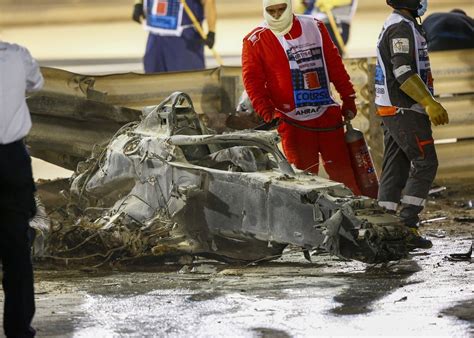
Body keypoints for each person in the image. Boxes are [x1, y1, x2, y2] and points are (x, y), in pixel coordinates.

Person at [242, 0, 362, 196]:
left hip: (327, 115)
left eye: (281, 9)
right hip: (292, 122)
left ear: (289, 7)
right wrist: (267, 112)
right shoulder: (254, 40)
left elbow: (334, 64)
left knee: (344, 175)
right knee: (303, 183)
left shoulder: (314, 26)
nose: (277, 15)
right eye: (271, 11)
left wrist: (348, 96)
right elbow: (253, 83)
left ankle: (357, 216)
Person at [375, 0, 449, 249]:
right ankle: (407, 225)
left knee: (395, 167)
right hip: (404, 110)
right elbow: (403, 71)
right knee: (426, 162)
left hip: (394, 109)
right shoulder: (400, 28)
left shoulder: (402, 24)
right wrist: (429, 102)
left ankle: (383, 227)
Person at [0, 40, 43, 337]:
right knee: (16, 249)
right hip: (11, 160)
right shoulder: (16, 55)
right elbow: (36, 83)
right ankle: (18, 328)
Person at [132, 0, 217, 73]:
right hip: (155, 37)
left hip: (183, 40)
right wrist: (138, 3)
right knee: (154, 80)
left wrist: (211, 31)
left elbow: (208, 2)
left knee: (185, 81)